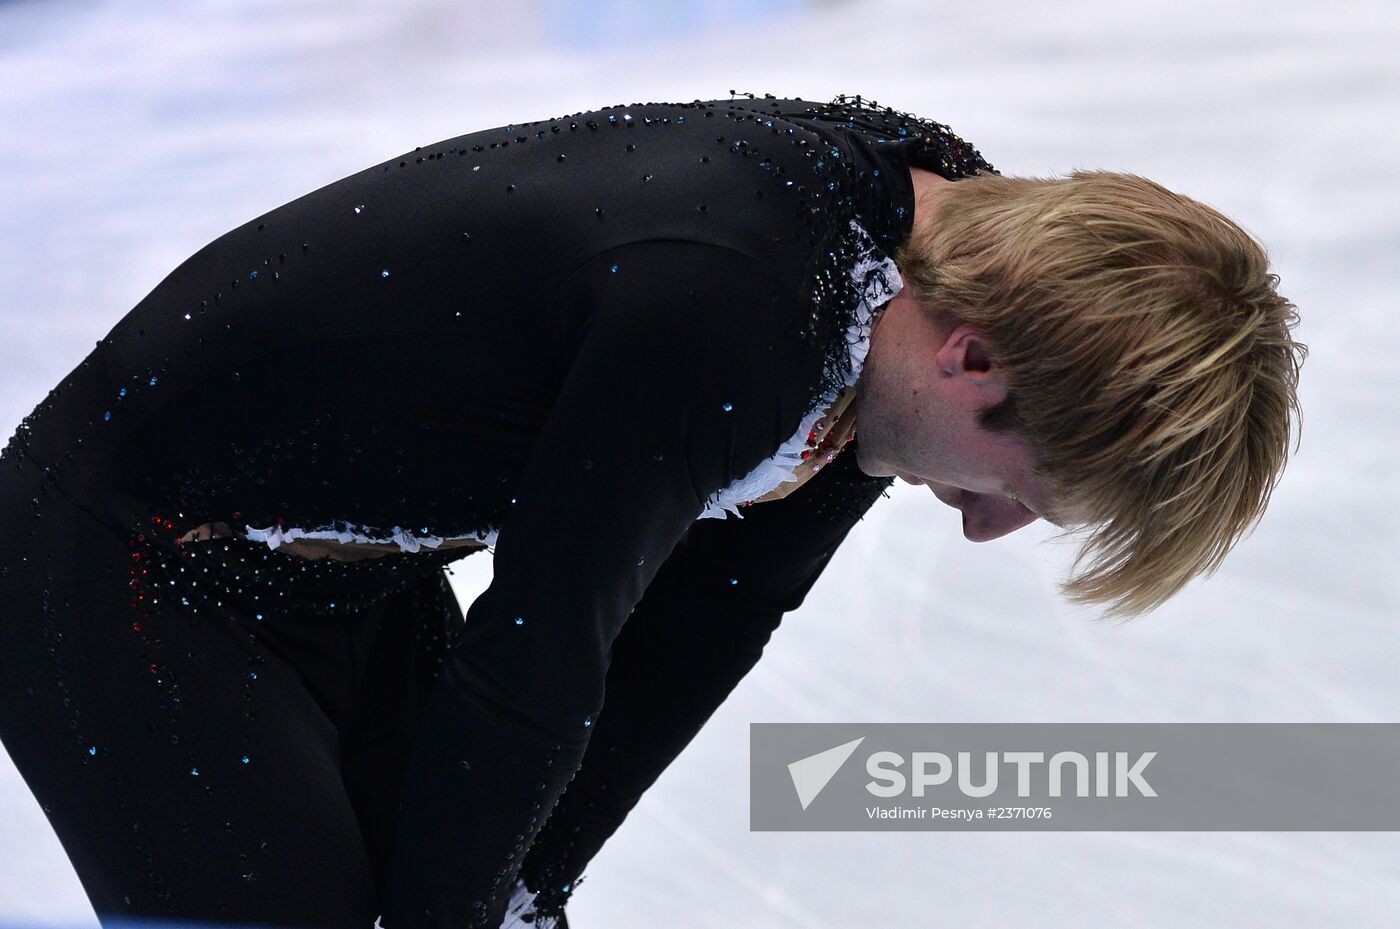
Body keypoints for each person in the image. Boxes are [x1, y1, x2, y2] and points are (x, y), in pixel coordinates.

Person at [0, 91, 1305, 929]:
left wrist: (524, 893)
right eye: (1021, 491)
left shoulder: (926, 281)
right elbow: (538, 653)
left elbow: (684, 642)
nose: (980, 526)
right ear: (976, 365)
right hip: (129, 562)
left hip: (333, 581)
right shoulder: (744, 308)